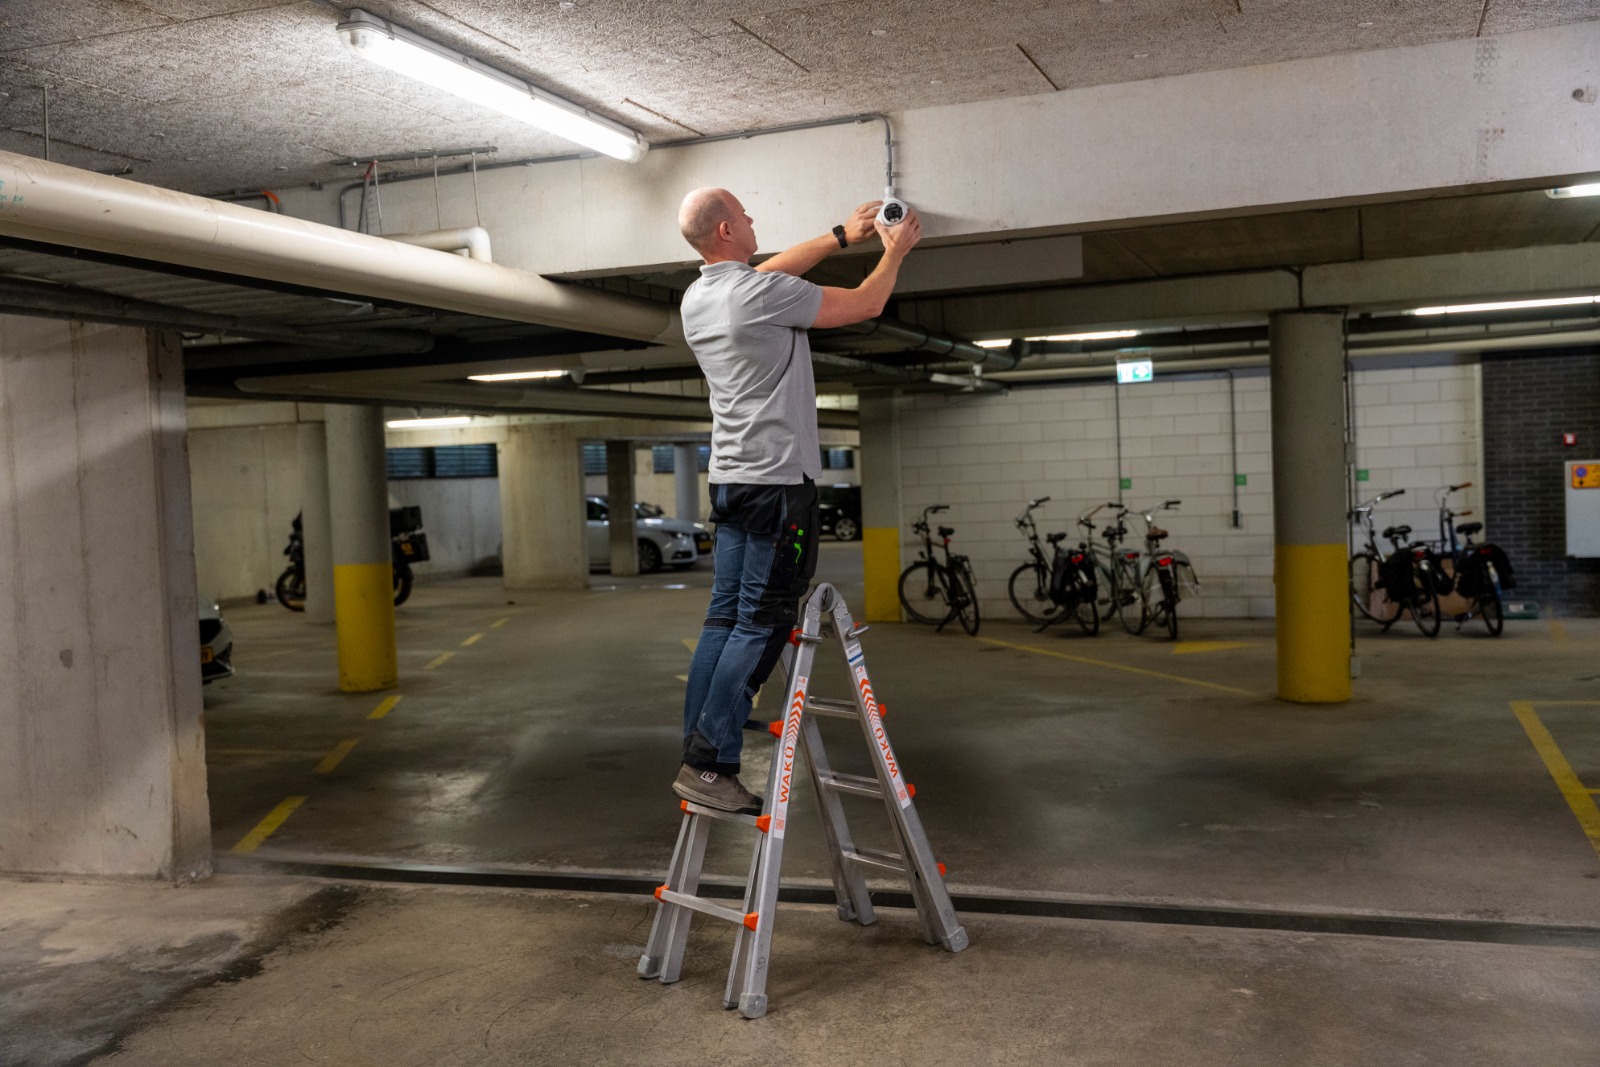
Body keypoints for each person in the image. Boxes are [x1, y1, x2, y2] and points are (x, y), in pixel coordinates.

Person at [672, 187, 923, 812]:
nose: (757, 220)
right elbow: (866, 303)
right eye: (748, 215)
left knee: (723, 619)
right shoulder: (756, 294)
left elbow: (764, 275)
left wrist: (840, 235)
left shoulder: (702, 296)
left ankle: (696, 752)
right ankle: (711, 763)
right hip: (778, 485)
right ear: (728, 229)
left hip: (731, 479)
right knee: (763, 620)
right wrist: (895, 250)